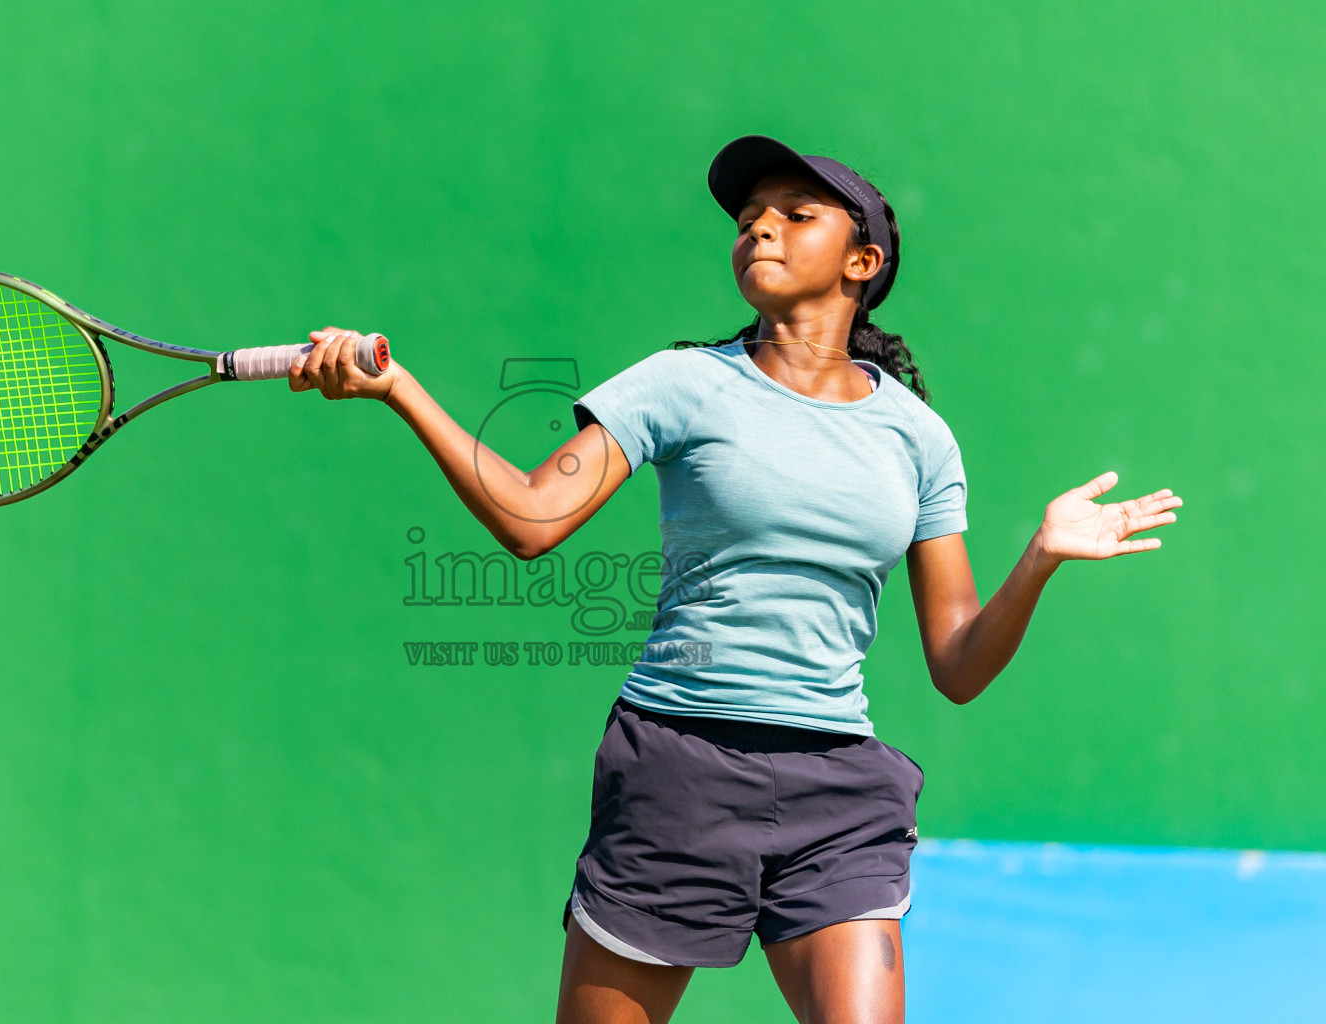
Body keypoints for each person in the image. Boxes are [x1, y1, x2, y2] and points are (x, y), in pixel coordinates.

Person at [284, 134, 1183, 1024]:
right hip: (679, 770)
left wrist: (1039, 560)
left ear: (861, 260)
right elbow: (528, 516)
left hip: (839, 789)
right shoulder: (680, 385)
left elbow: (956, 664)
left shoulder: (919, 438)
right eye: (750, 219)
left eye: (797, 215)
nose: (762, 230)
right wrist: (400, 389)